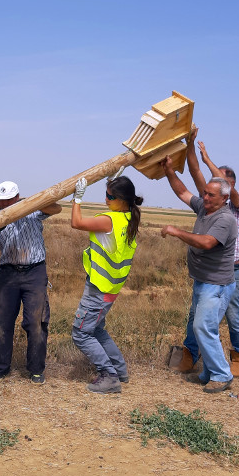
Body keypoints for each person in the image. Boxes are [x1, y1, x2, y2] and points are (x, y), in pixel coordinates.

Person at [174, 128, 239, 377]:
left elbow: (207, 242)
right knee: (199, 320)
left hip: (230, 271)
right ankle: (199, 361)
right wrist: (190, 146)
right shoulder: (209, 202)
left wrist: (207, 159)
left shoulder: (237, 204)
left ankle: (236, 358)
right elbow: (194, 175)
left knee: (231, 317)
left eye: (217, 183)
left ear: (228, 188)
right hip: (207, 275)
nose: (207, 192)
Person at [159, 155, 237, 393]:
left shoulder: (225, 218)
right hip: (203, 282)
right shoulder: (205, 208)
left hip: (216, 285)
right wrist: (170, 171)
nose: (204, 197)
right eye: (204, 193)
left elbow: (206, 242)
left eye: (210, 195)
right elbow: (182, 191)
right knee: (200, 327)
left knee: (203, 327)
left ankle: (222, 374)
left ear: (225, 198)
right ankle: (210, 372)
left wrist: (176, 231)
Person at [69, 169, 142, 394]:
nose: (105, 199)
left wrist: (77, 198)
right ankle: (119, 370)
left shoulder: (108, 220)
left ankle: (109, 376)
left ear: (121, 200)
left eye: (110, 196)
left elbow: (76, 222)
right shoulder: (129, 217)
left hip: (99, 287)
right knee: (97, 328)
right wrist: (113, 180)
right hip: (112, 288)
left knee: (80, 332)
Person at [0, 181, 62, 384]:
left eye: (7, 200)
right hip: (8, 274)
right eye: (0, 201)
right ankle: (0, 368)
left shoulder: (32, 211)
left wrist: (34, 204)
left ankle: (36, 370)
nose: (4, 204)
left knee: (36, 322)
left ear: (16, 198)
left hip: (34, 272)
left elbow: (57, 208)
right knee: (2, 322)